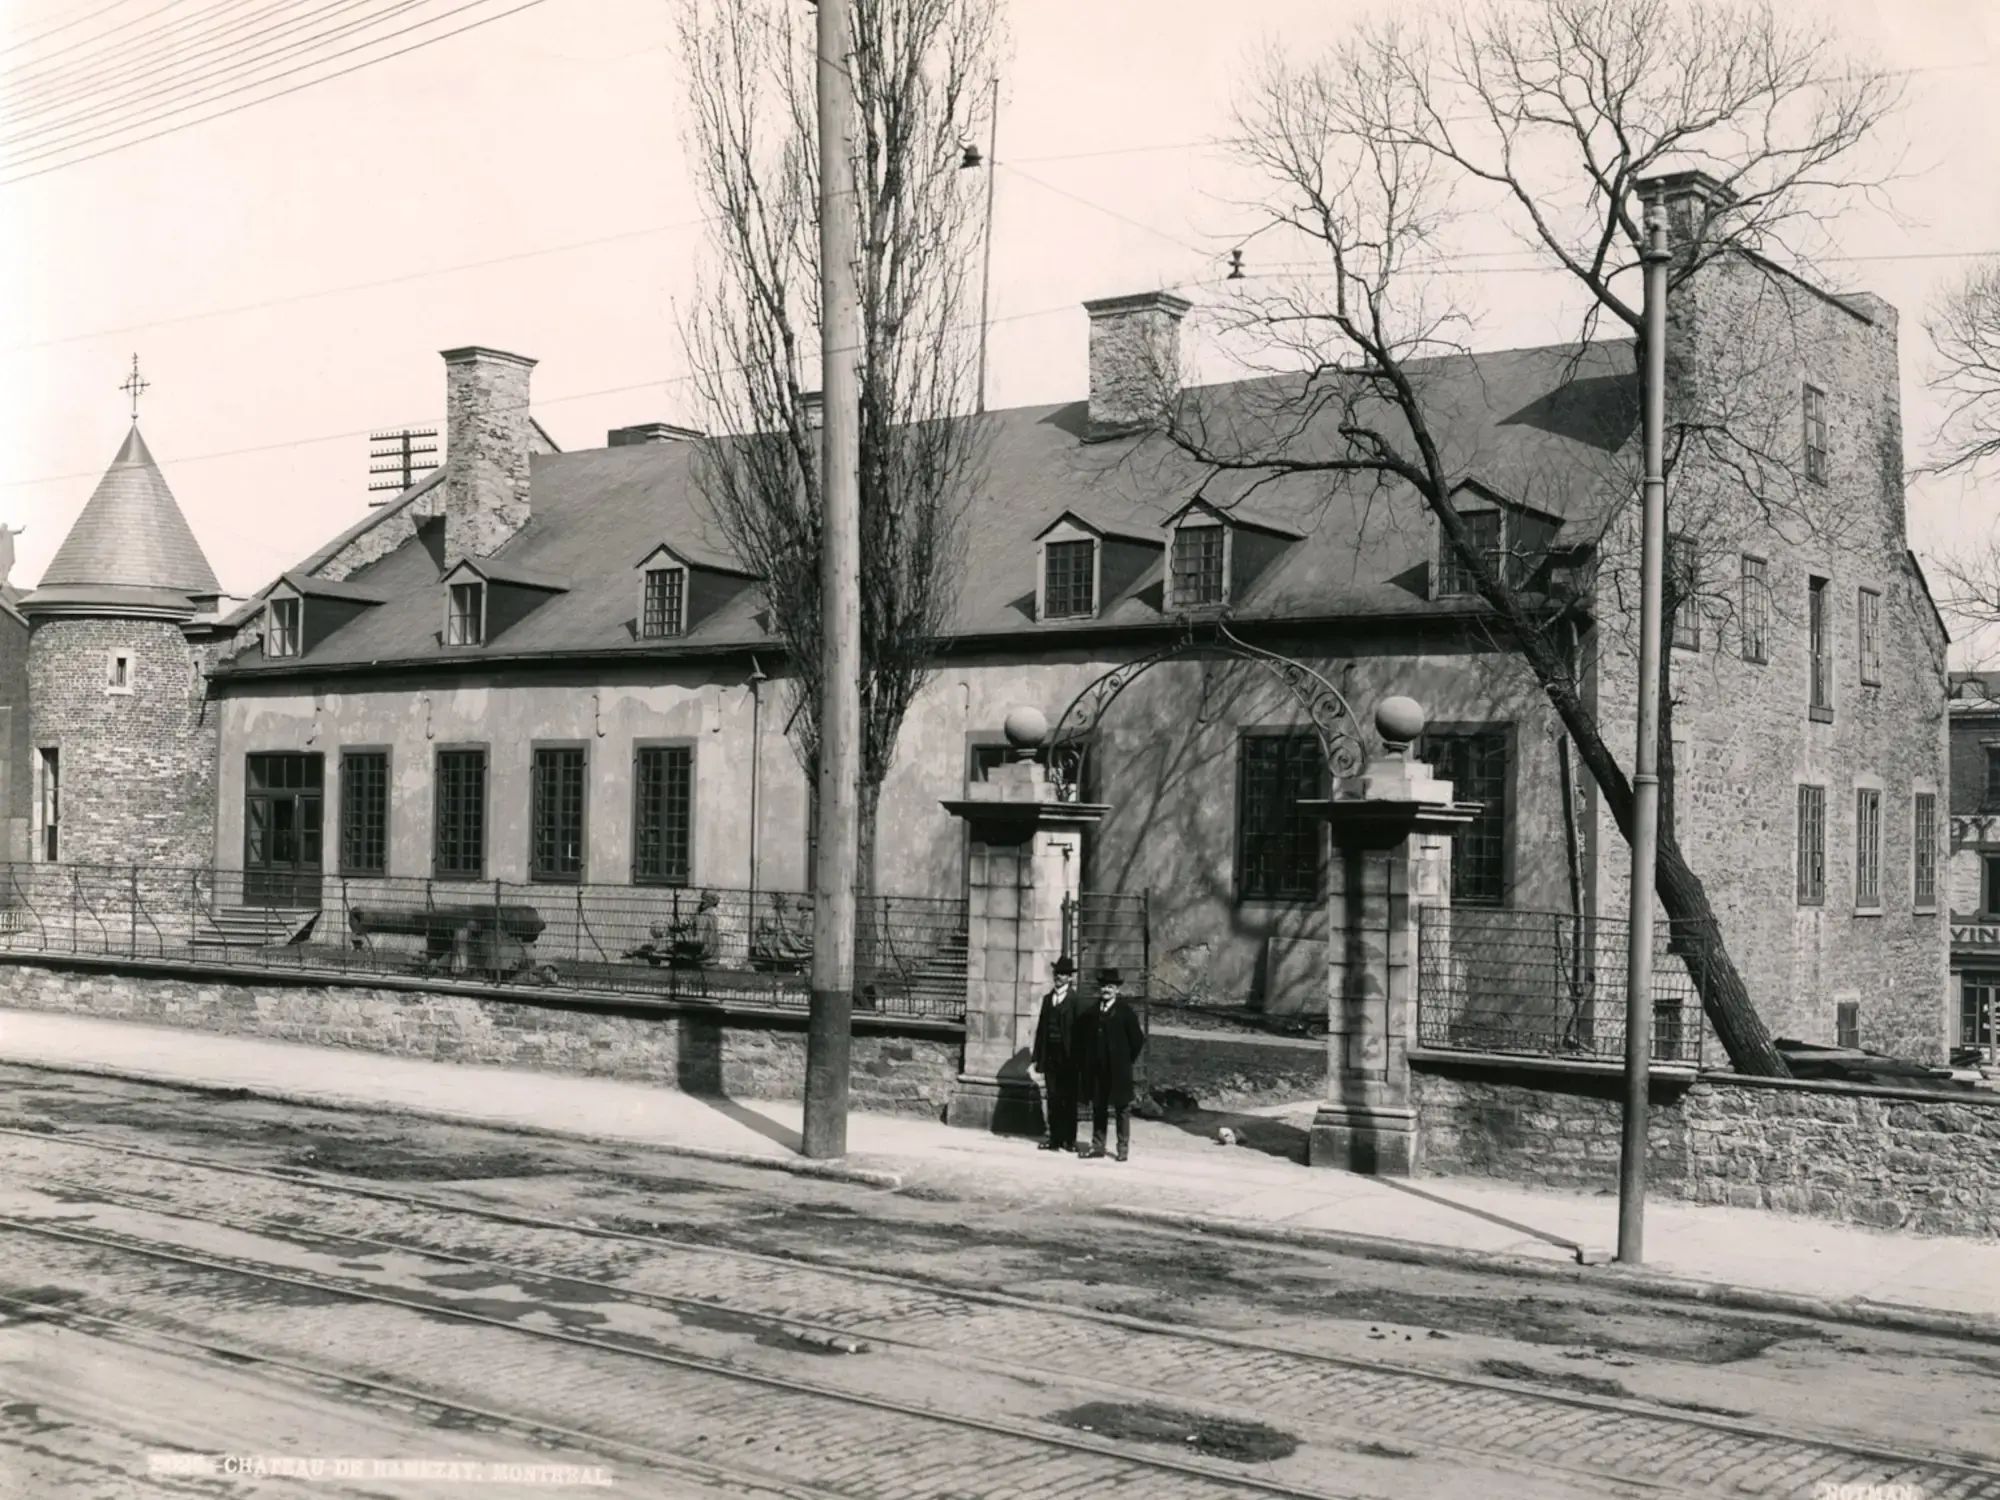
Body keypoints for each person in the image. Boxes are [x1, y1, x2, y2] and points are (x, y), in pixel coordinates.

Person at [1079, 967, 1146, 1162]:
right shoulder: (1092, 1012)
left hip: (1118, 1070)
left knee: (1121, 1108)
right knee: (1099, 1107)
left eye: (1110, 987)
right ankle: (1098, 1145)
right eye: (1103, 987)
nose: (1106, 990)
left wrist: (1125, 1060)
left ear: (1117, 989)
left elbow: (1137, 1040)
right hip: (1099, 1070)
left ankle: (1122, 1148)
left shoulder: (1126, 1013)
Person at [1030, 956, 1082, 1153]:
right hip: (1051, 1056)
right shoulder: (1047, 999)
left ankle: (1069, 1139)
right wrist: (1037, 1056)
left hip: (1068, 1058)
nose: (1059, 977)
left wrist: (1079, 1059)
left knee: (1068, 1098)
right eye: (1057, 973)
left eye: (1063, 974)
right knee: (1052, 1097)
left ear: (1070, 978)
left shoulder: (1075, 1000)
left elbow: (1080, 1033)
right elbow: (1041, 1030)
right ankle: (1055, 1138)